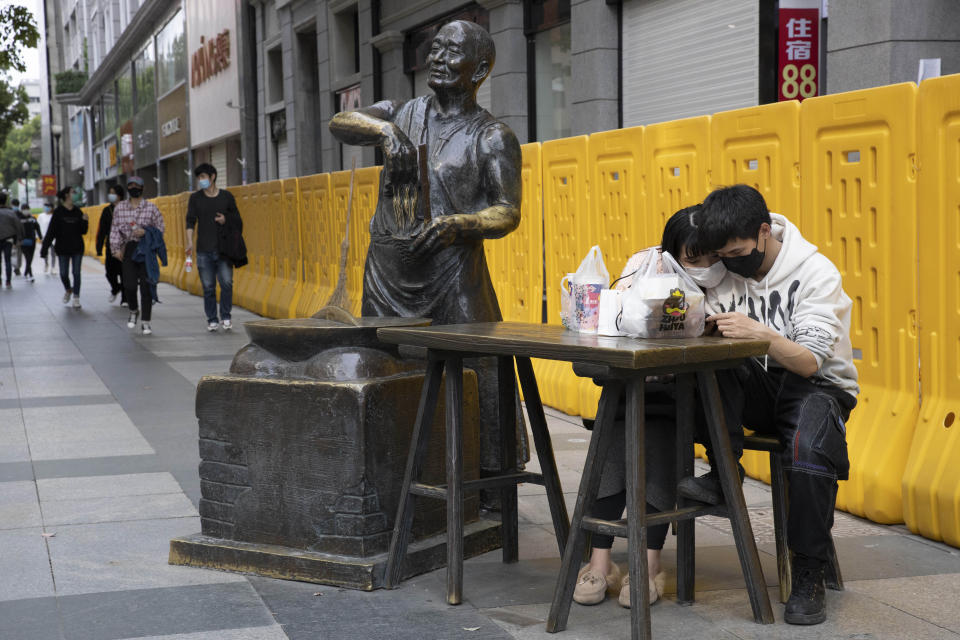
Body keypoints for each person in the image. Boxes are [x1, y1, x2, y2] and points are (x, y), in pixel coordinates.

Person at [329, 20, 524, 496]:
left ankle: (492, 483)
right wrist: (384, 131)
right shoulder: (404, 111)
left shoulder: (492, 136)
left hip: (451, 272)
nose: (437, 57)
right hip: (388, 271)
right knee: (384, 370)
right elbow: (340, 123)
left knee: (480, 370)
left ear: (479, 69)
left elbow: (506, 211)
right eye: (433, 48)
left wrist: (462, 224)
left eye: (451, 51)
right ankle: (390, 478)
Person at [685, 184, 859, 626]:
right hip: (756, 386)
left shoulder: (816, 272)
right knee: (703, 367)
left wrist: (760, 333)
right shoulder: (720, 269)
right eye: (721, 254)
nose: (730, 260)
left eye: (738, 250)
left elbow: (807, 362)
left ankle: (808, 572)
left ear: (764, 232)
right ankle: (726, 472)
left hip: (816, 383)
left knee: (807, 445)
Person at [574, 206, 733, 609]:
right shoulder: (645, 265)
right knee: (624, 416)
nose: (705, 267)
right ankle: (601, 561)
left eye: (712, 257)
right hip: (642, 386)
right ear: (672, 251)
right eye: (693, 259)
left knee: (655, 421)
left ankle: (647, 563)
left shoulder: (735, 276)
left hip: (701, 398)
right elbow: (617, 318)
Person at [185, 162, 242, 332]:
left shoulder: (227, 197)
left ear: (213, 177)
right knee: (208, 287)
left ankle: (226, 316)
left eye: (203, 177)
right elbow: (190, 221)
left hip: (224, 249)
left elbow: (238, 220)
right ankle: (212, 319)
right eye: (199, 178)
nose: (201, 181)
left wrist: (226, 220)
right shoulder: (195, 199)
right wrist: (189, 242)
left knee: (226, 283)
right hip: (203, 250)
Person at [110, 176, 165, 335]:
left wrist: (146, 231)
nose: (134, 188)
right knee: (129, 284)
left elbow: (160, 229)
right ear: (127, 188)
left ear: (142, 188)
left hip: (146, 249)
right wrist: (115, 249)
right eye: (131, 185)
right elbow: (114, 230)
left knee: (147, 286)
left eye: (137, 185)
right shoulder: (120, 208)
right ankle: (134, 310)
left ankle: (146, 321)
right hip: (128, 248)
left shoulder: (151, 208)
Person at [41, 187, 88, 307]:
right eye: (74, 192)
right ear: (67, 195)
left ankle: (76, 297)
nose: (76, 194)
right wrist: (44, 248)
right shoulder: (58, 212)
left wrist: (85, 221)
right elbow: (51, 231)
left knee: (76, 273)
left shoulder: (78, 211)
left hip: (77, 247)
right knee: (63, 274)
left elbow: (83, 231)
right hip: (62, 248)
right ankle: (68, 289)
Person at [96, 184, 127, 304]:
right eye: (110, 192)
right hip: (111, 246)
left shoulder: (127, 208)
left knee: (125, 273)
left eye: (113, 192)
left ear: (119, 195)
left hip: (125, 246)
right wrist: (99, 247)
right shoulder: (106, 210)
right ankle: (115, 288)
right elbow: (102, 229)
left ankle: (125, 299)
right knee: (109, 272)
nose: (111, 195)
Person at [0, 193, 24, 288]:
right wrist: (19, 238)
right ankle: (8, 281)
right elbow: (18, 226)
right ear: (5, 200)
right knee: (7, 260)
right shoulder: (11, 212)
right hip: (8, 240)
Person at [18, 205, 42, 282]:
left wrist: (41, 237)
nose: (26, 210)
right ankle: (31, 274)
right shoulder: (19, 219)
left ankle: (26, 272)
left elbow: (37, 228)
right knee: (28, 257)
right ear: (21, 210)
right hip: (23, 241)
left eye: (27, 209)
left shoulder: (33, 218)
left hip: (32, 240)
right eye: (24, 209)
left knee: (30, 258)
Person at [37, 202, 55, 274]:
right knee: (45, 252)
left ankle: (53, 267)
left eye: (48, 207)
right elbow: (38, 227)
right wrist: (39, 237)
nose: (47, 208)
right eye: (45, 207)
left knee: (53, 253)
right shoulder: (41, 216)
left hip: (53, 237)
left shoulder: (53, 216)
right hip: (44, 237)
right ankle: (46, 264)